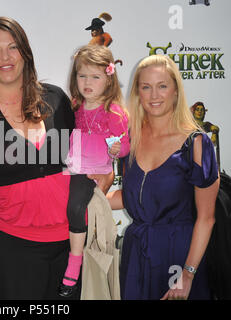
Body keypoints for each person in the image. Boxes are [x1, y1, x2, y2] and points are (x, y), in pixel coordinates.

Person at [0, 16, 114, 300]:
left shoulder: (56, 98)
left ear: (25, 53)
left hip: (71, 242)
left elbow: (88, 157)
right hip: (16, 244)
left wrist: (98, 188)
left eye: (13, 47)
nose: (5, 57)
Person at [107, 54, 219, 300]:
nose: (154, 95)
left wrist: (188, 274)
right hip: (136, 253)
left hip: (179, 256)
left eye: (162, 86)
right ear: (137, 93)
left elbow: (206, 218)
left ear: (176, 92)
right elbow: (136, 197)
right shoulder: (130, 139)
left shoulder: (196, 144)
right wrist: (89, 200)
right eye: (146, 87)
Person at [59, 44, 129, 297]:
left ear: (108, 80)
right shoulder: (75, 107)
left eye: (95, 76)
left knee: (76, 209)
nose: (87, 82)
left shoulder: (114, 112)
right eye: (82, 76)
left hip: (92, 173)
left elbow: (122, 149)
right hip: (72, 169)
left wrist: (115, 148)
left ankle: (74, 266)